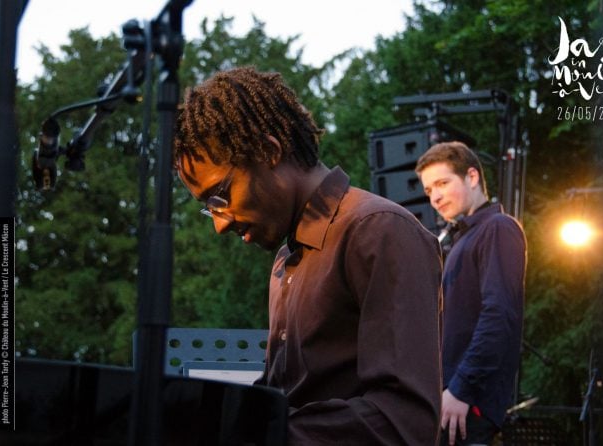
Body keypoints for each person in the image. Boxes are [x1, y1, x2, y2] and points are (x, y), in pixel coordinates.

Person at [174, 66, 444, 445]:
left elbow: (403, 421)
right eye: (209, 209)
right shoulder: (286, 260)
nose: (219, 224)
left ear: (269, 151)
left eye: (219, 197)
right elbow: (285, 398)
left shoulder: (378, 230)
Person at [415, 142, 527, 446]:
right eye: (429, 190)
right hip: (452, 399)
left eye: (442, 183)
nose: (435, 197)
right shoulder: (462, 239)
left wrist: (461, 388)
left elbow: (499, 314)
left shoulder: (498, 227)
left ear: (472, 177)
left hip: (467, 403)